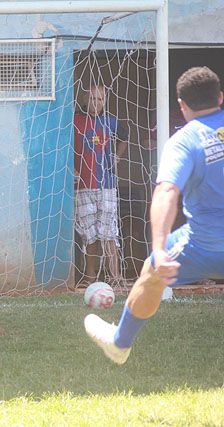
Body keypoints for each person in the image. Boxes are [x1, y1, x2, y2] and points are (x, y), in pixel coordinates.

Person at [84, 66, 224, 364]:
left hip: (204, 247)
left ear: (182, 106)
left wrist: (159, 249)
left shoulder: (184, 141)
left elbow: (166, 193)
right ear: (220, 97)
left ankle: (120, 344)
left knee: (150, 274)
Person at [73, 83, 128, 288]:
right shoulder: (75, 121)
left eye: (100, 99)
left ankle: (115, 275)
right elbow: (64, 146)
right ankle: (90, 277)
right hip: (82, 186)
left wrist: (117, 158)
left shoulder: (110, 122)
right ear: (85, 100)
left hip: (107, 185)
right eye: (93, 98)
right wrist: (72, 167)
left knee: (109, 232)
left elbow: (125, 138)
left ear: (105, 102)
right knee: (89, 235)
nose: (96, 103)